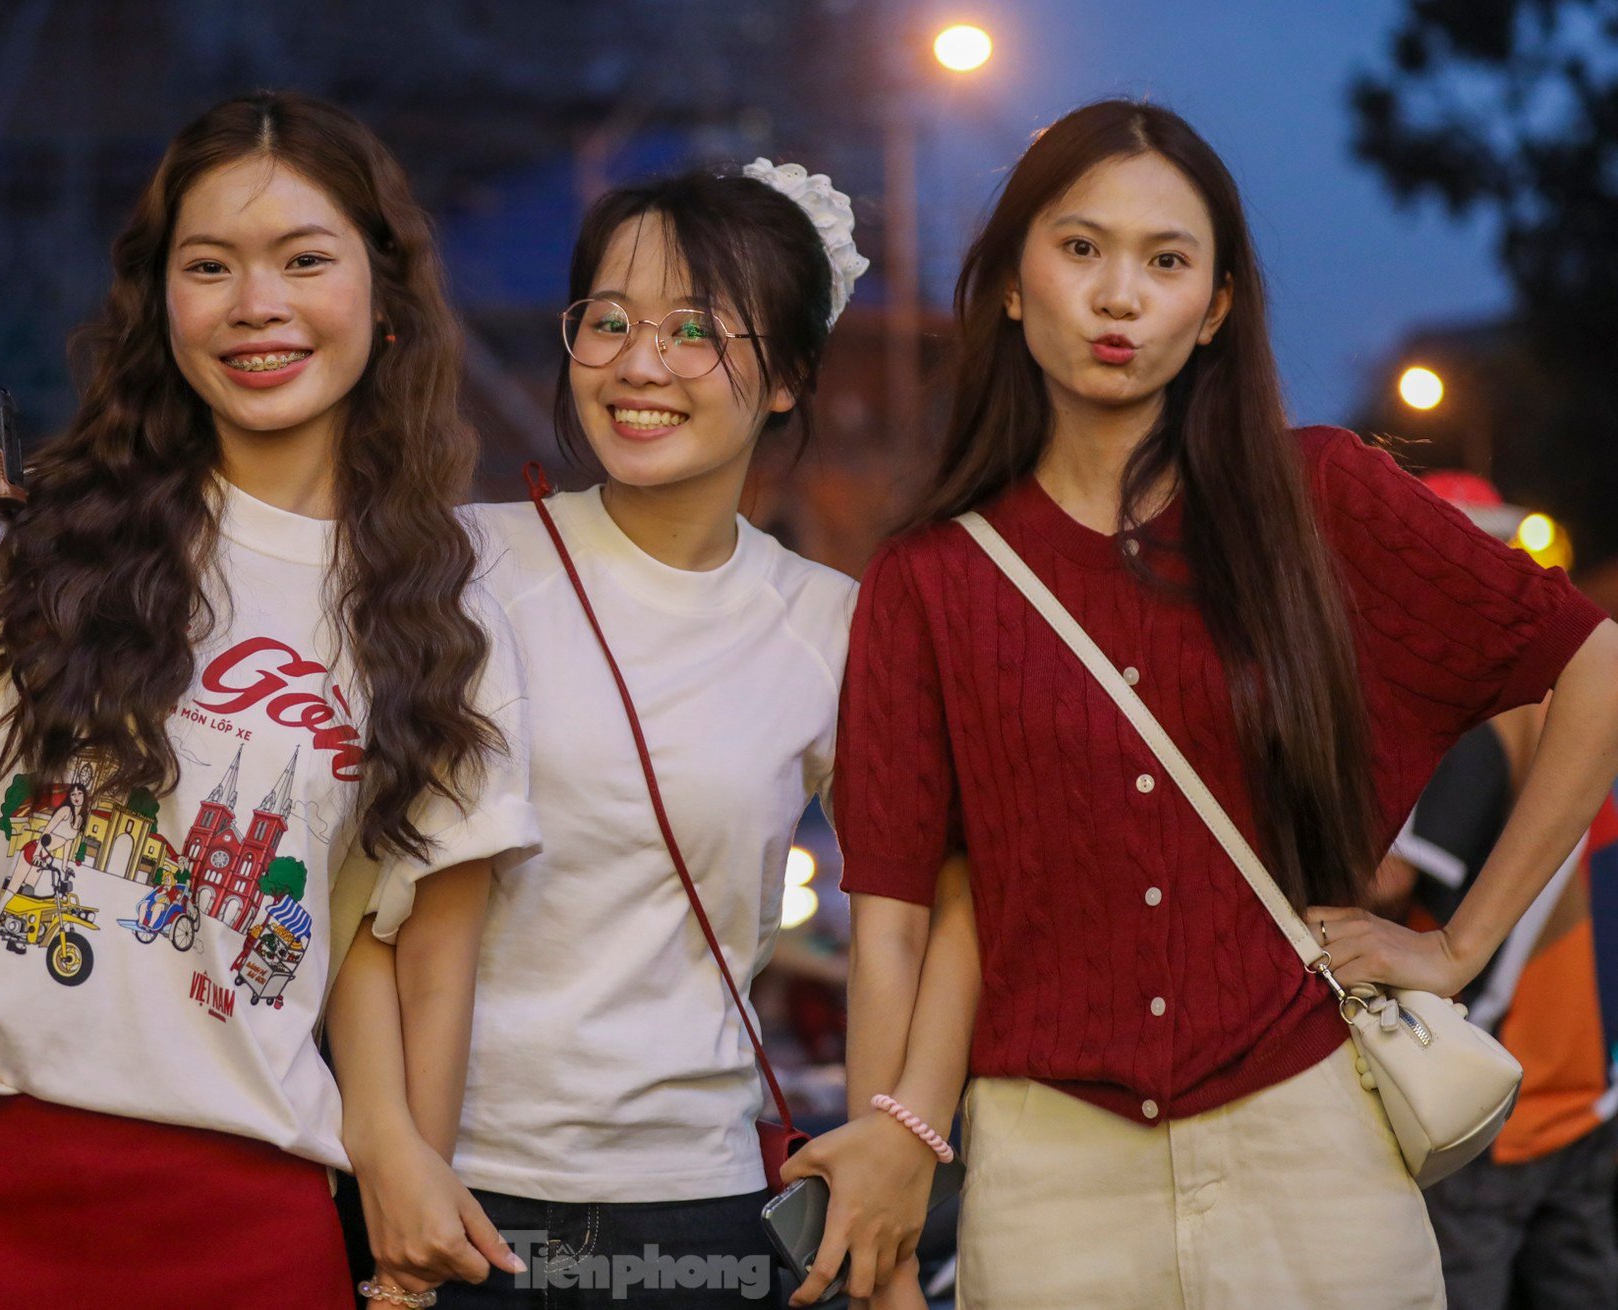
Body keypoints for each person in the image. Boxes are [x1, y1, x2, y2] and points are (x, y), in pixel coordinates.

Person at [789, 99, 1618, 1309]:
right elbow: (898, 919)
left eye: (1166, 260)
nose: (1119, 295)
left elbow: (1589, 660)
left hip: (1314, 1148)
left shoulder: (1318, 495)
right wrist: (890, 1170)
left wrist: (1456, 943)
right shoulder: (931, 581)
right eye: (1080, 249)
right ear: (1013, 284)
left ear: (1215, 306)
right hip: (1048, 1172)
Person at [0, 91, 536, 1309]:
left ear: (383, 299)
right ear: (159, 300)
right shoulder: (39, 531)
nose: (255, 305)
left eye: (304, 260)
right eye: (209, 264)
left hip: (246, 1212)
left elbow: (426, 948)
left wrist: (405, 1233)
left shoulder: (443, 604)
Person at [338, 159, 866, 1308]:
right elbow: (354, 898)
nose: (640, 363)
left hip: (696, 1207)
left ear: (786, 375)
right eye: (609, 321)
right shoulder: (460, 564)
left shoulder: (827, 625)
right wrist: (388, 1147)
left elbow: (923, 898)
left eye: (695, 330)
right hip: (449, 1190)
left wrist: (893, 1126)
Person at [1378, 472, 1618, 1310]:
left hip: (1490, 1092)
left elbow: (1401, 877)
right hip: (1584, 1080)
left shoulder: (1478, 703)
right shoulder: (1564, 695)